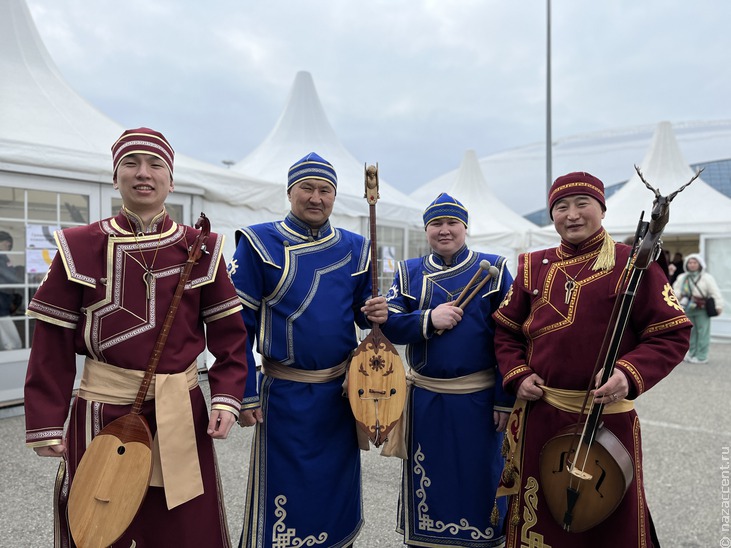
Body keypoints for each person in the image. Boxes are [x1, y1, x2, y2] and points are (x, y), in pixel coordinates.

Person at [24, 127, 249, 547]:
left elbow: (229, 336)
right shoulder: (77, 246)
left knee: (184, 528)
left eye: (155, 164)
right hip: (100, 412)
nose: (143, 173)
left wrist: (227, 397)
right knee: (98, 526)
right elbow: (51, 344)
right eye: (131, 163)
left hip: (179, 409)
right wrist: (46, 420)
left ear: (171, 179)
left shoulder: (201, 247)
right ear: (115, 176)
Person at [492, 171, 691, 547]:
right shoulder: (532, 265)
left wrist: (628, 375)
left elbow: (671, 333)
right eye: (561, 207)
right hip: (542, 413)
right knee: (543, 517)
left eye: (582, 204)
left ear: (601, 208)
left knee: (606, 521)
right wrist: (517, 373)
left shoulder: (634, 263)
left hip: (608, 419)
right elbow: (505, 330)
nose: (572, 215)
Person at [230, 152, 388, 548]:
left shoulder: (355, 246)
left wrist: (385, 315)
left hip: (340, 395)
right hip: (286, 395)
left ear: (334, 197)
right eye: (307, 188)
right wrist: (244, 393)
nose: (316, 198)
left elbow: (365, 319)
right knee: (287, 493)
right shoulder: (258, 241)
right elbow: (236, 329)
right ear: (290, 192)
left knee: (336, 490)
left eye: (325, 190)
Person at [381, 193, 514, 547]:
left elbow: (512, 337)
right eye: (436, 224)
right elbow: (389, 324)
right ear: (426, 230)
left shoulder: (495, 268)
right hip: (426, 398)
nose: (444, 230)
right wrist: (427, 319)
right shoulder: (408, 272)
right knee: (432, 480)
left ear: (465, 227)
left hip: (480, 400)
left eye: (452, 223)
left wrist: (504, 398)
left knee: (480, 478)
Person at [673, 253, 724, 363]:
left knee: (703, 332)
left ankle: (702, 356)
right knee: (690, 333)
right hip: (687, 308)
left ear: (700, 264)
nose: (692, 265)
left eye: (694, 262)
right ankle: (691, 353)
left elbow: (715, 293)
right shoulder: (682, 277)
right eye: (690, 262)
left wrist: (719, 306)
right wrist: (680, 294)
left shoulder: (706, 278)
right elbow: (674, 291)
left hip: (702, 309)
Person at [0, 231, 23, 349]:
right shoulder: (1, 257)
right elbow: (10, 276)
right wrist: (24, 279)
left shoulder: (3, 257)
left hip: (4, 301)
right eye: (6, 243)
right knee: (11, 342)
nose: (8, 245)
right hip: (2, 303)